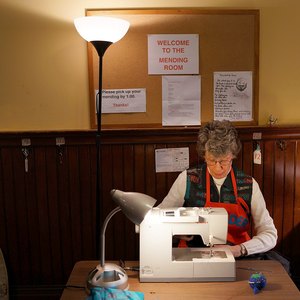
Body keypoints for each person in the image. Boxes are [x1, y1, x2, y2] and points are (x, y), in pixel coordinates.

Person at [159, 120, 278, 258]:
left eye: (223, 161)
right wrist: (176, 230)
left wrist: (240, 249)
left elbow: (270, 234)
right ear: (204, 155)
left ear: (232, 156)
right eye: (211, 160)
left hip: (237, 258)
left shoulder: (248, 185)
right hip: (192, 256)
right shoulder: (187, 179)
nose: (217, 167)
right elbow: (157, 220)